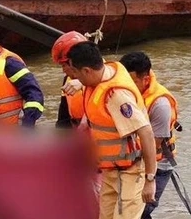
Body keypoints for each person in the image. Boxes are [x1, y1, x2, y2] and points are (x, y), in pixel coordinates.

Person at [64, 41, 158, 219]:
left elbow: (146, 132)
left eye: (75, 73)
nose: (73, 77)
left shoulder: (116, 96)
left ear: (86, 71)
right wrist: (81, 84)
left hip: (131, 171)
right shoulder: (105, 72)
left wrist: (150, 180)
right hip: (111, 171)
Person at [120, 52, 180, 219]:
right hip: (132, 162)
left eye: (133, 82)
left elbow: (153, 144)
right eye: (124, 82)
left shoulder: (160, 104)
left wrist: (149, 179)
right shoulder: (123, 93)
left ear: (145, 79)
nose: (127, 87)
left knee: (141, 210)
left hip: (158, 164)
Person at [51, 31, 88, 130]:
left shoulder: (104, 79)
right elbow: (63, 115)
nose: (63, 70)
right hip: (77, 130)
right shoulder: (67, 79)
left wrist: (84, 84)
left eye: (64, 65)